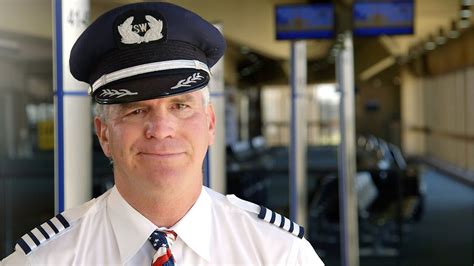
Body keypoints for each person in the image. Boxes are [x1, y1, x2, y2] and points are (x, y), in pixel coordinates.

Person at [1, 2, 324, 265]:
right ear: (103, 135)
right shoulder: (44, 260)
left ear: (210, 123)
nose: (161, 129)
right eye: (136, 110)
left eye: (181, 106)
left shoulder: (279, 253)